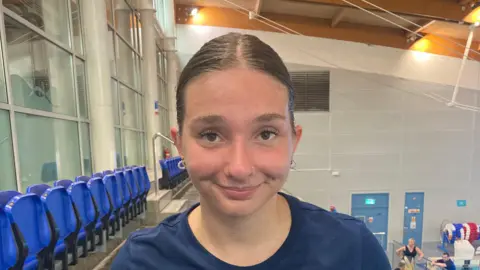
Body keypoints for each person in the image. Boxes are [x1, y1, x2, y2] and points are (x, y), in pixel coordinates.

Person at [111, 32, 391, 269]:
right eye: (211, 135)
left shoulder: (353, 252)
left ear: (294, 140)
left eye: (266, 133)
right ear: (180, 144)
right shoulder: (141, 262)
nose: (240, 168)